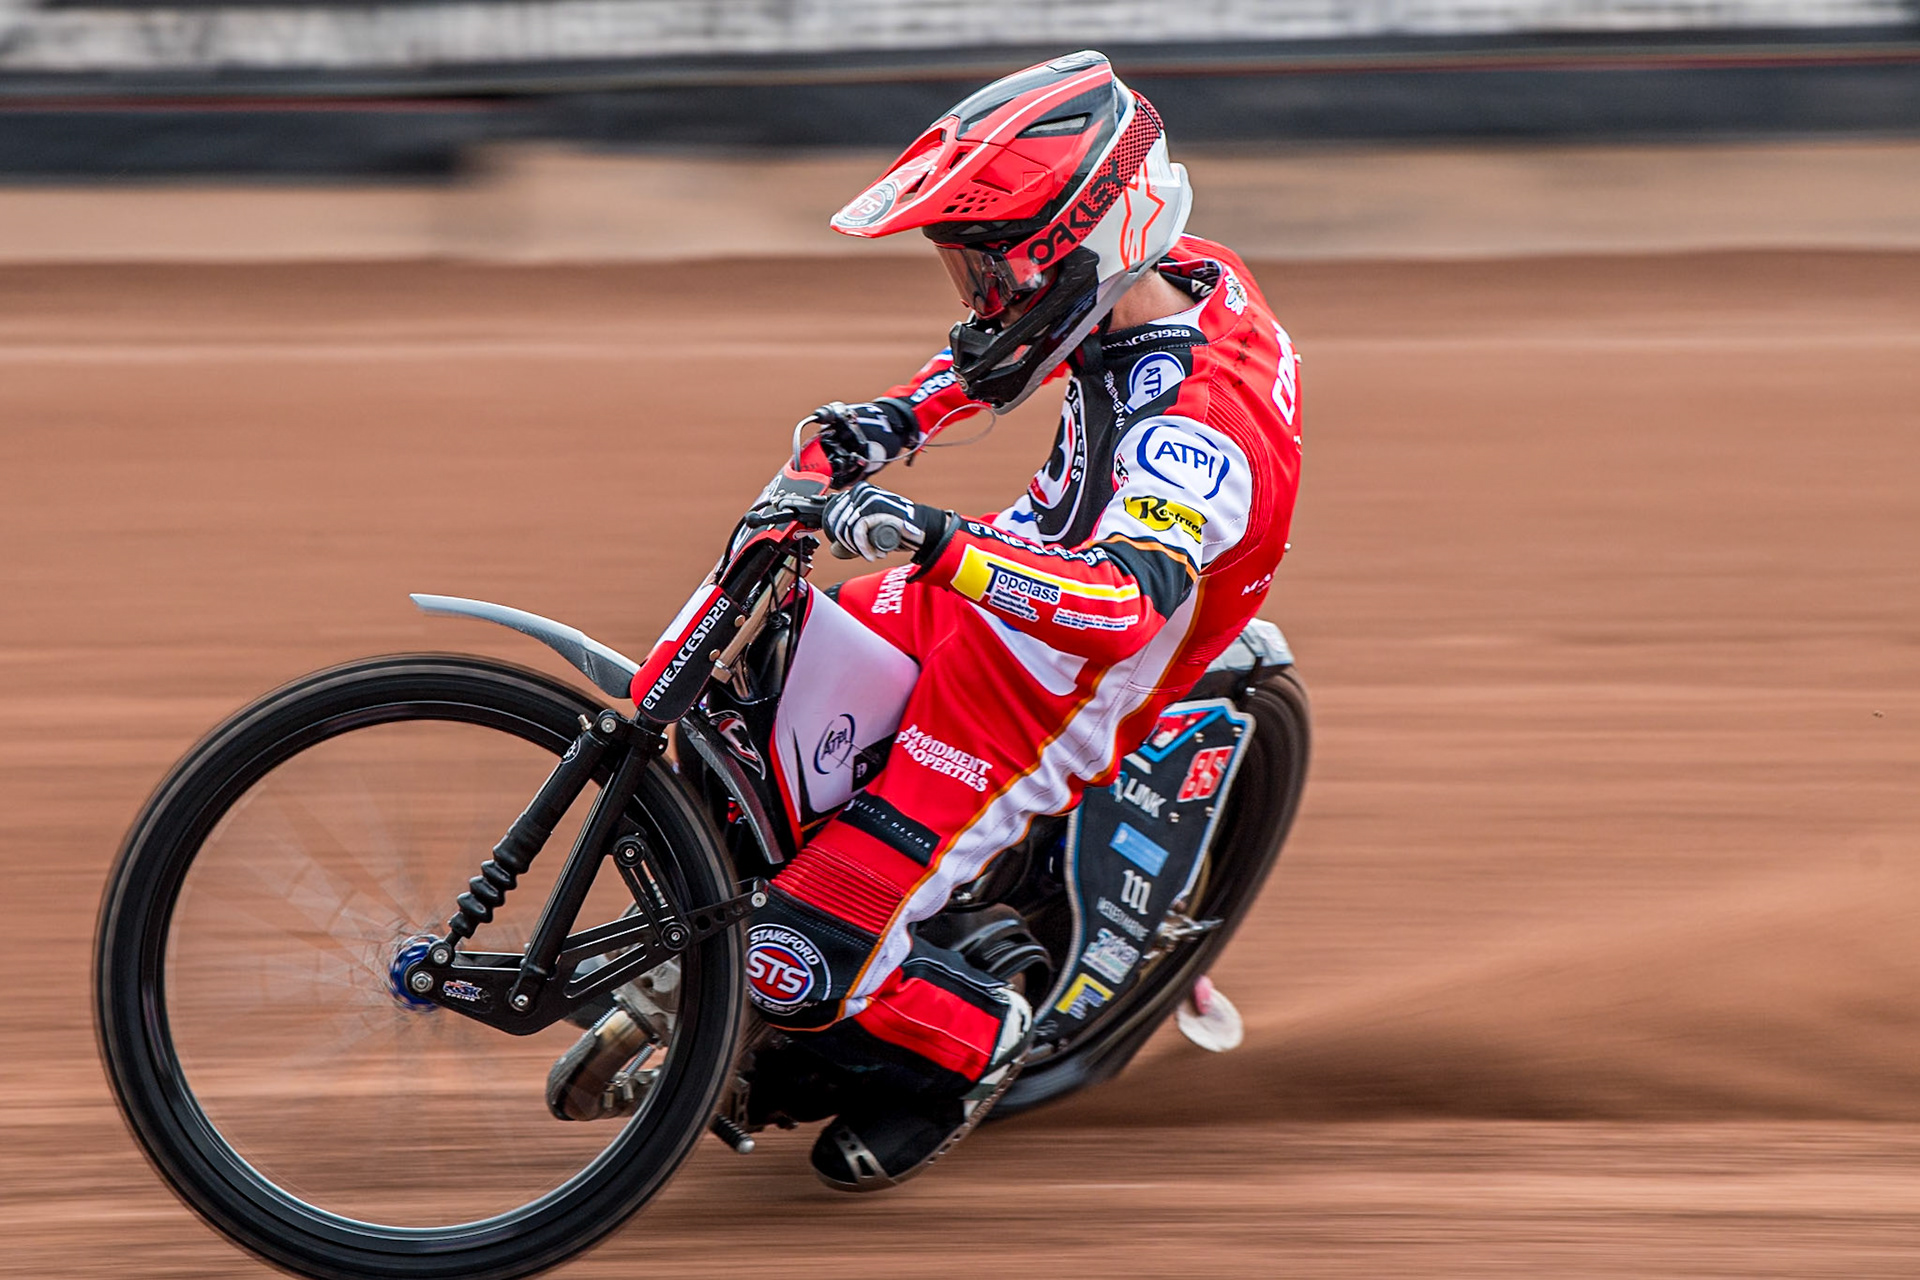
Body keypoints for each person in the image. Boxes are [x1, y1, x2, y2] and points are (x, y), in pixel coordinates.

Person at [744, 49, 1303, 1191]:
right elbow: (1000, 358)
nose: (972, 299)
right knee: (752, 709)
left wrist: (934, 537)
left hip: (1042, 695)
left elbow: (1116, 604)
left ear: (1080, 249)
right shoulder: (1169, 272)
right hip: (998, 583)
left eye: (986, 271)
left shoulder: (1196, 431)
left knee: (793, 954)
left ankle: (967, 1042)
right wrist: (896, 417)